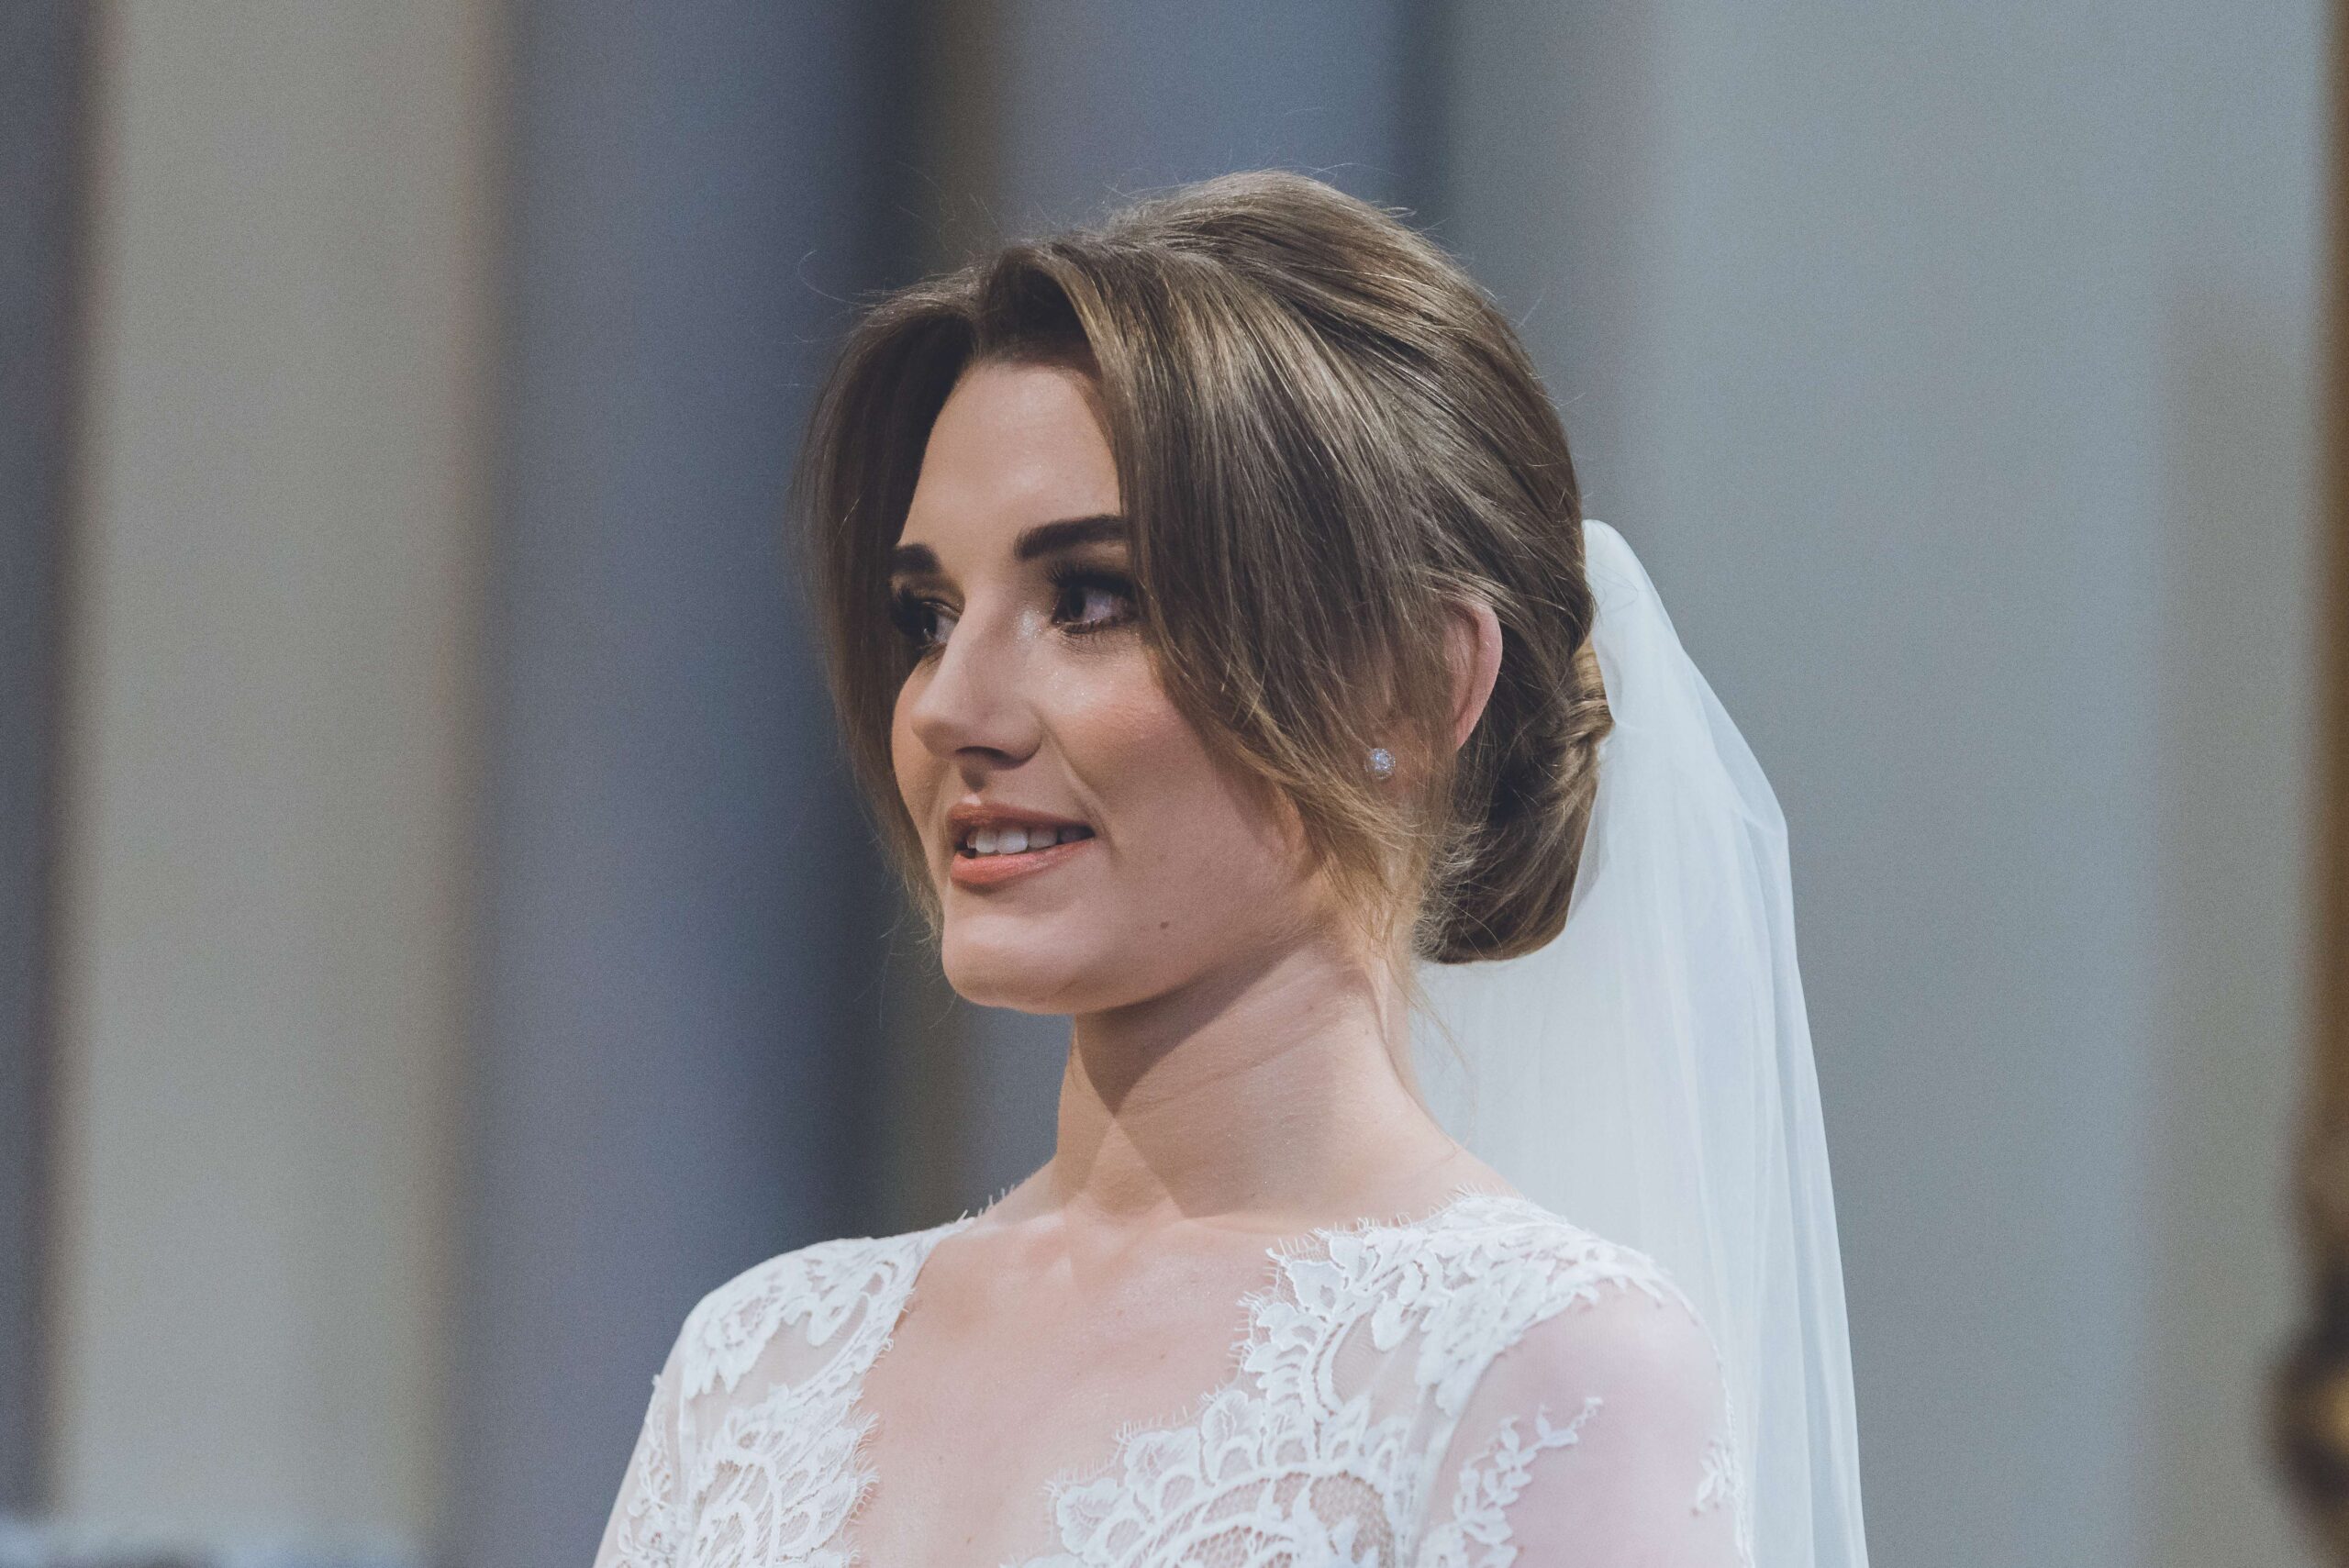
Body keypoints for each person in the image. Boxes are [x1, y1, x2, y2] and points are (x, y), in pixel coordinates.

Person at [591, 169, 1865, 1567]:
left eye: (1090, 598)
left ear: (1410, 688)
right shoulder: (758, 1367)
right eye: (930, 614)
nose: (949, 705)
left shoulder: (1546, 1371)